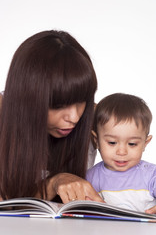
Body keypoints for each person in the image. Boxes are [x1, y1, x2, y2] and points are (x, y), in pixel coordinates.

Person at [0, 30, 103, 204]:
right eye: (58, 105)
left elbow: (137, 173)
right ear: (27, 96)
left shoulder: (96, 117)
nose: (74, 117)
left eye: (81, 100)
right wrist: (53, 184)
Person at [86, 93, 156, 215]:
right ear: (96, 141)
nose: (122, 152)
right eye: (112, 142)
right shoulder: (90, 178)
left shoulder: (152, 174)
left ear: (145, 143)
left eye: (132, 144)